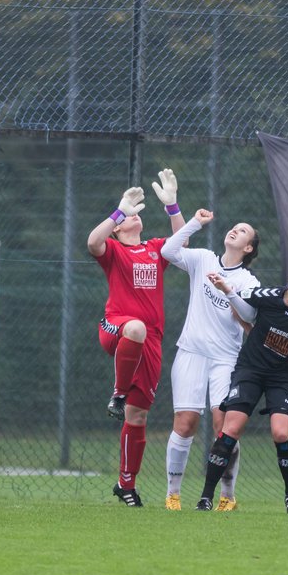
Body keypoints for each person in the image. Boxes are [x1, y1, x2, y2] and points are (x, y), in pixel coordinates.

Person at [199, 253, 288, 513]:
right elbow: (242, 310)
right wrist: (227, 291)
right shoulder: (267, 296)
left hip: (283, 377)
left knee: (281, 433)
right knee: (230, 429)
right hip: (251, 370)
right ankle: (205, 497)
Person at [87, 169, 186, 507]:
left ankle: (125, 485)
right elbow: (92, 242)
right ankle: (117, 394)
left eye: (136, 213)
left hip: (151, 341)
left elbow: (182, 243)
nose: (135, 217)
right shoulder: (113, 249)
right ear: (118, 226)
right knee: (135, 328)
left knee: (138, 416)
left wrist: (172, 206)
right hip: (116, 327)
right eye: (128, 217)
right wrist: (118, 210)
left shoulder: (156, 249)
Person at [159, 209, 260, 511]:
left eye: (243, 231)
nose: (234, 230)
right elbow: (168, 250)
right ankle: (173, 494)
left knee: (224, 425)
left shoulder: (246, 279)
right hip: (191, 352)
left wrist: (227, 291)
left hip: (226, 360)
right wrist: (195, 223)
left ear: (249, 248)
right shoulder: (202, 258)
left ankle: (227, 497)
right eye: (235, 225)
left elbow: (251, 315)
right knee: (186, 422)